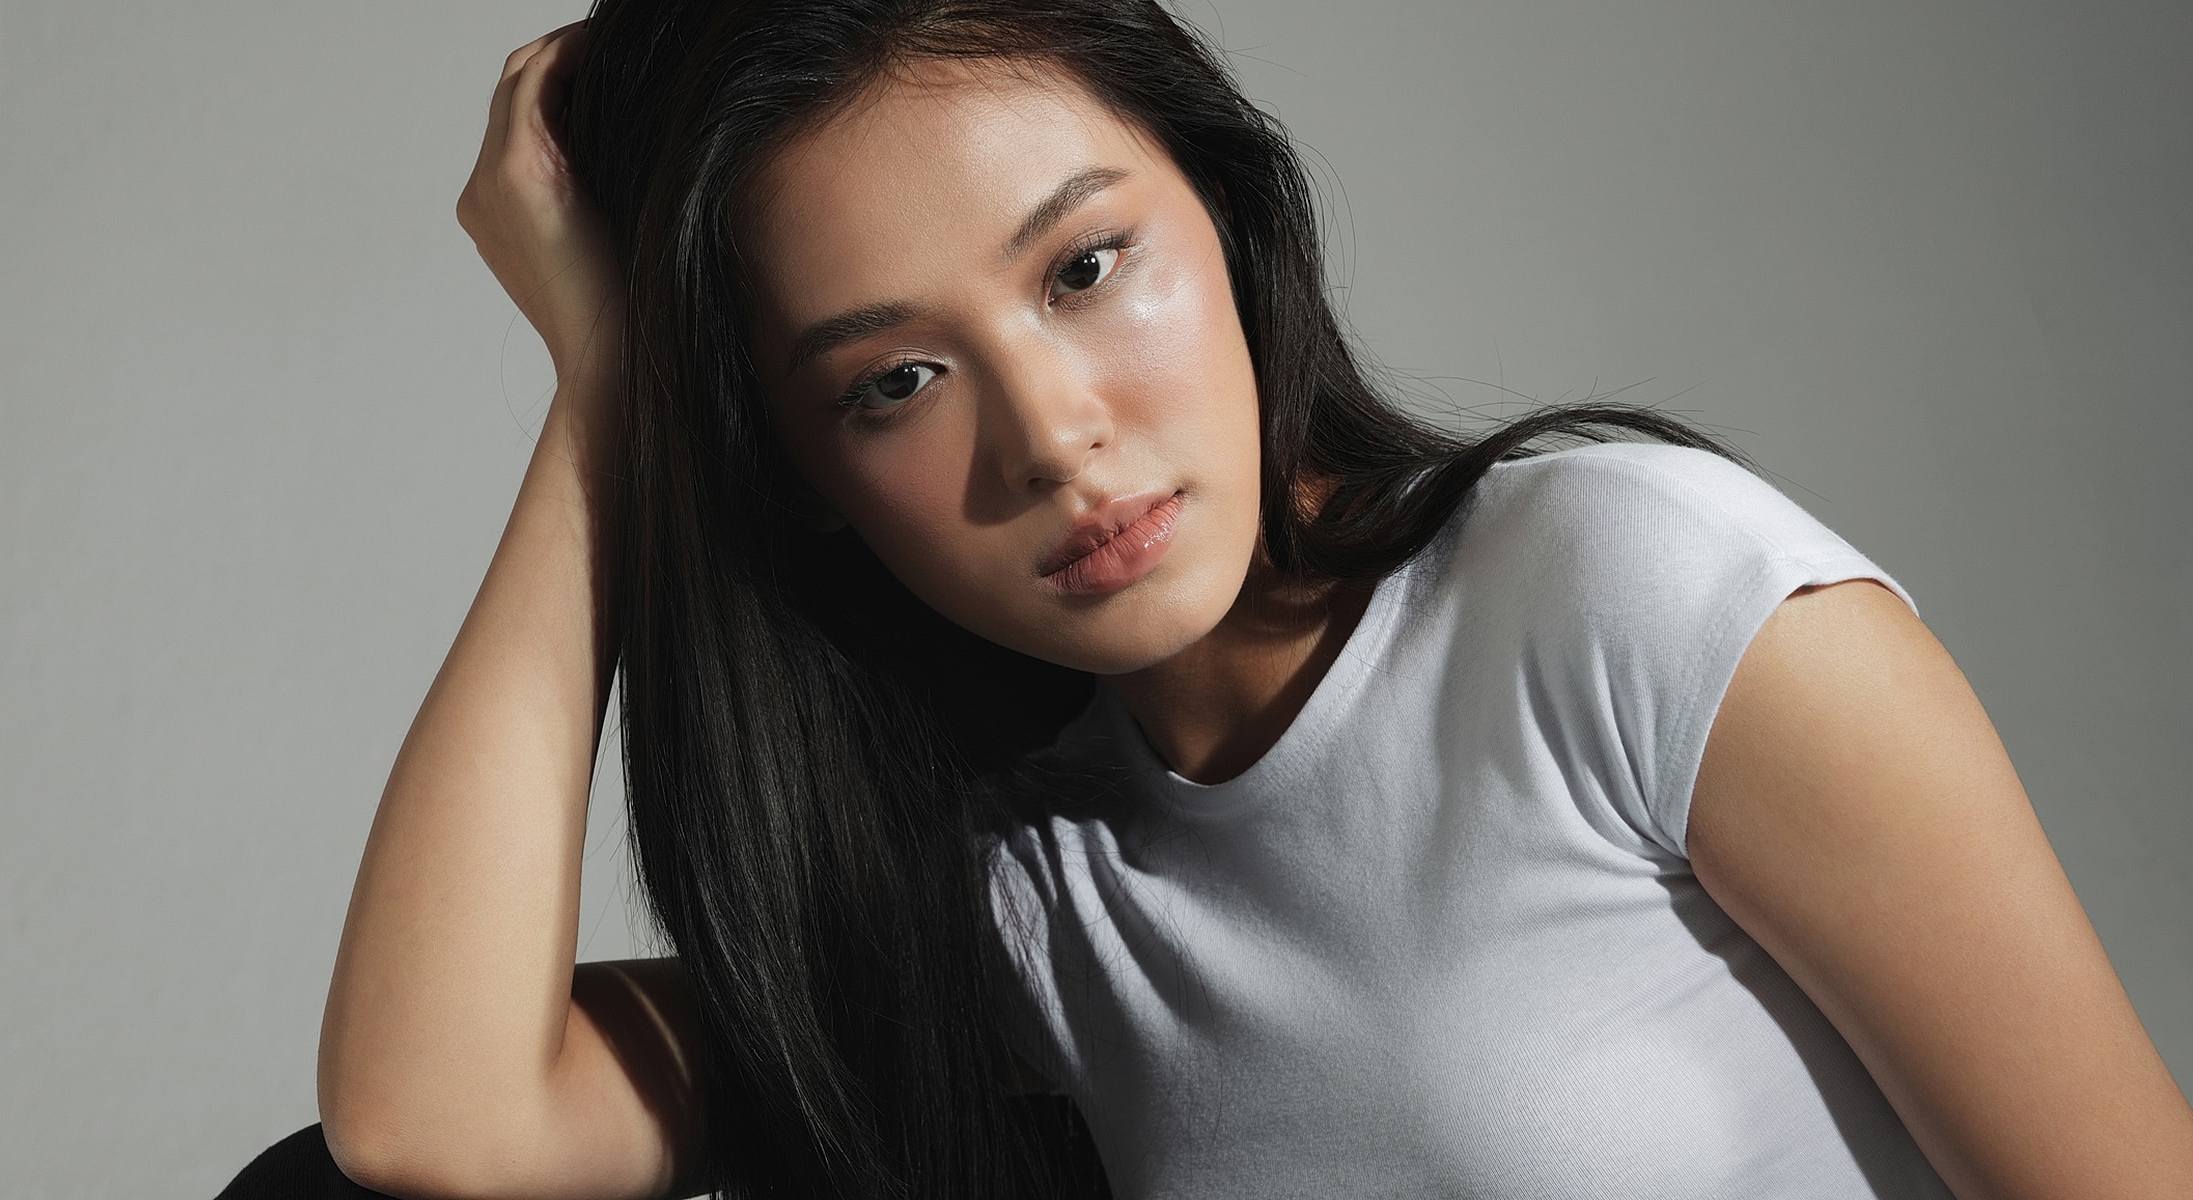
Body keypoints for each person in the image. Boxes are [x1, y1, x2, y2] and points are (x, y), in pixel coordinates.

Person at [223, 1, 2193, 1197]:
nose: (1054, 439)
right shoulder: (1025, 891)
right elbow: (431, 1124)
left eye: (1082, 270)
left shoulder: (1628, 597)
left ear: (1226, 218)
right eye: (890, 383)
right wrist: (609, 401)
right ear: (803, 486)